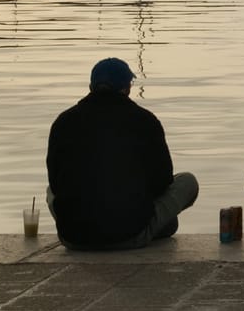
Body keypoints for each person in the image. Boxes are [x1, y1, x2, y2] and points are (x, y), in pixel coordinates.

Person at [46, 57, 199, 250]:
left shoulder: (63, 122)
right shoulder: (145, 121)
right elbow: (162, 182)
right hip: (129, 235)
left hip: (74, 238)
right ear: (127, 88)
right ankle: (153, 227)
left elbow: (56, 182)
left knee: (49, 191)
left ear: (91, 86)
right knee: (188, 182)